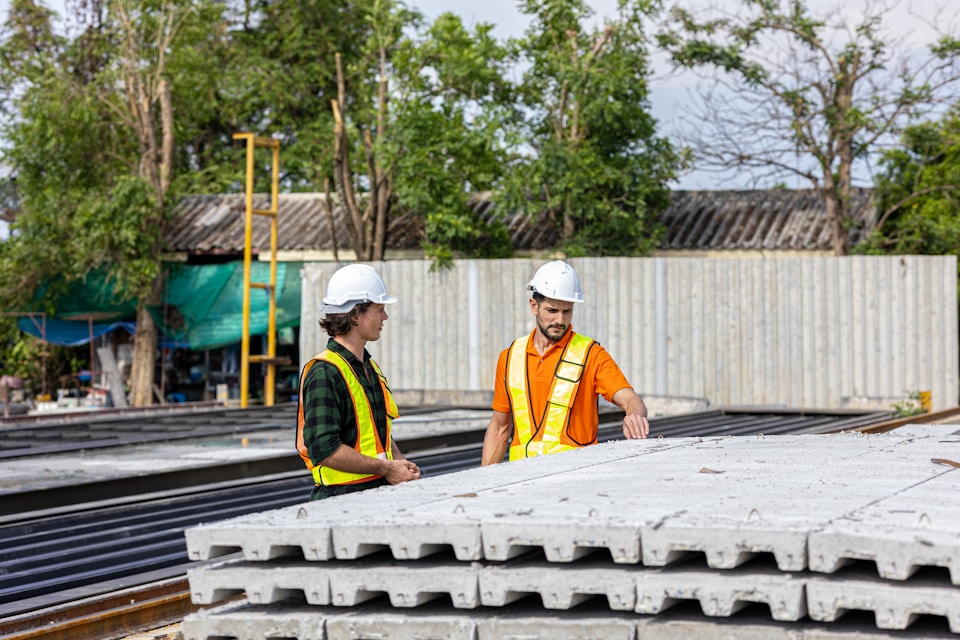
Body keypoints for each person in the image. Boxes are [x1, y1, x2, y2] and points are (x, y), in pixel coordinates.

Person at [481, 260, 650, 465]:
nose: (560, 320)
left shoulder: (591, 354)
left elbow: (632, 400)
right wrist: (485, 482)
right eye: (552, 311)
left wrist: (635, 416)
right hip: (523, 483)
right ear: (534, 306)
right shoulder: (509, 358)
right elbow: (499, 429)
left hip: (575, 480)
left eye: (567, 311)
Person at [296, 263, 420, 499]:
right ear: (354, 314)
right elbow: (325, 450)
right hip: (339, 501)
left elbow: (377, 436)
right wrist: (385, 468)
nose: (385, 316)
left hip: (374, 496)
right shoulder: (325, 372)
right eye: (379, 309)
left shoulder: (369, 367)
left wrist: (400, 464)